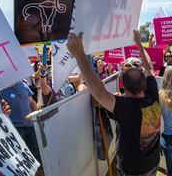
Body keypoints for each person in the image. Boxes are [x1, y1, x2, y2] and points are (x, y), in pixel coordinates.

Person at [67, 30, 161, 176]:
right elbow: (149, 67)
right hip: (153, 163)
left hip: (134, 171)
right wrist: (139, 45)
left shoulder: (127, 107)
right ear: (144, 83)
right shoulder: (153, 96)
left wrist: (79, 54)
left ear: (123, 85)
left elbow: (99, 92)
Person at [0, 81, 41, 163]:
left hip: (30, 125)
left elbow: (31, 102)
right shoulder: (0, 88)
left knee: (36, 152)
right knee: (19, 155)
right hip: (15, 128)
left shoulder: (23, 84)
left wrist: (38, 117)